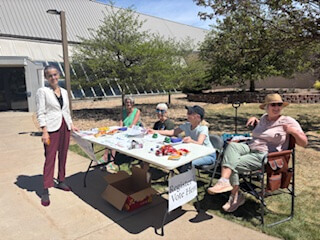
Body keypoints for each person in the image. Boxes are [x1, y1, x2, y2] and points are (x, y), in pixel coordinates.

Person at [207, 93, 308, 213]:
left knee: (231, 163)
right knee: (232, 146)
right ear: (266, 107)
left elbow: (304, 143)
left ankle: (235, 195)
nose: (276, 107)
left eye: (279, 105)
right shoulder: (264, 118)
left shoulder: (288, 121)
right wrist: (256, 120)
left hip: (266, 155)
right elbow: (265, 130)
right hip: (250, 146)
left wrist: (293, 132)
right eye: (273, 105)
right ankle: (224, 181)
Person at [36, 65, 79, 207]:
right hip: (51, 129)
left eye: (55, 74)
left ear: (59, 75)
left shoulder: (65, 92)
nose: (53, 77)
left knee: (63, 155)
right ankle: (46, 188)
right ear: (46, 78)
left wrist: (71, 125)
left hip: (64, 127)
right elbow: (41, 112)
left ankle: (61, 180)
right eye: (50, 75)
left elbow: (66, 111)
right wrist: (44, 130)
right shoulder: (42, 91)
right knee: (50, 158)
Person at [149, 105, 216, 171]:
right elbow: (173, 132)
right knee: (177, 160)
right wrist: (155, 131)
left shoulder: (203, 128)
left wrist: (190, 140)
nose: (187, 115)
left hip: (207, 155)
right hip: (195, 153)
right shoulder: (187, 125)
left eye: (190, 113)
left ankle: (185, 180)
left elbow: (199, 143)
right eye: (187, 112)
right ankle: (182, 179)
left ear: (197, 117)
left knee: (187, 163)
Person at [100, 96, 141, 171]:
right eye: (126, 102)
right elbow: (121, 121)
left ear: (133, 103)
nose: (128, 104)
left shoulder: (137, 111)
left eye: (130, 102)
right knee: (111, 136)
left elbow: (133, 124)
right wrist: (120, 129)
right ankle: (105, 156)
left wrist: (125, 131)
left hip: (133, 132)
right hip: (124, 130)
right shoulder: (123, 111)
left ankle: (112, 161)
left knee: (116, 140)